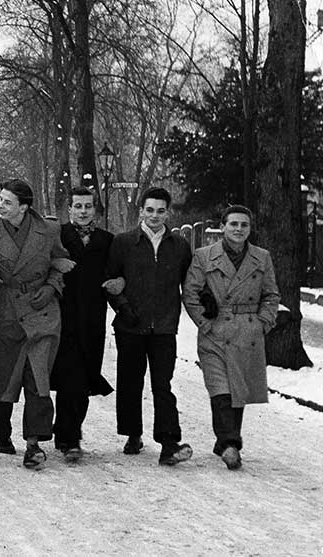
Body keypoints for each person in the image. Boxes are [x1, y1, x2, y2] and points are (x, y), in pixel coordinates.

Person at [0, 178, 70, 470]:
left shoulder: (49, 230)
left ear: (24, 206)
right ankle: (2, 434)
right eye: (0, 200)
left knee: (37, 377)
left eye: (7, 202)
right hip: (4, 312)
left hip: (40, 312)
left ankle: (34, 444)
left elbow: (60, 261)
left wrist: (52, 287)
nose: (1, 206)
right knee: (3, 376)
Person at [182, 205, 279, 470]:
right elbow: (190, 292)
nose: (238, 229)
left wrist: (262, 323)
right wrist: (204, 323)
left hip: (247, 331)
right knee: (220, 389)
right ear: (223, 226)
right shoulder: (204, 256)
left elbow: (271, 295)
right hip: (215, 332)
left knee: (239, 391)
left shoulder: (262, 257)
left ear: (250, 229)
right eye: (233, 224)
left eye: (244, 225)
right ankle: (229, 444)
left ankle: (226, 442)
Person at [106, 186, 194, 466]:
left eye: (160, 210)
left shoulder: (179, 245)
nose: (155, 216)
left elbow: (189, 283)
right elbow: (110, 283)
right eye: (149, 210)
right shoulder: (123, 242)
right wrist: (123, 308)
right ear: (141, 211)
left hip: (164, 327)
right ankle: (133, 434)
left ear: (168, 212)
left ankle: (169, 442)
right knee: (131, 382)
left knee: (162, 384)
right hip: (131, 326)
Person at [49, 187, 115, 462]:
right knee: (69, 375)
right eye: (78, 206)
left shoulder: (107, 240)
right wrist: (56, 260)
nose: (83, 211)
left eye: (88, 206)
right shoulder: (60, 236)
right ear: (70, 209)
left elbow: (116, 271)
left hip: (94, 317)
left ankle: (68, 431)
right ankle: (69, 436)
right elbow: (42, 262)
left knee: (87, 374)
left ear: (94, 210)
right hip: (64, 315)